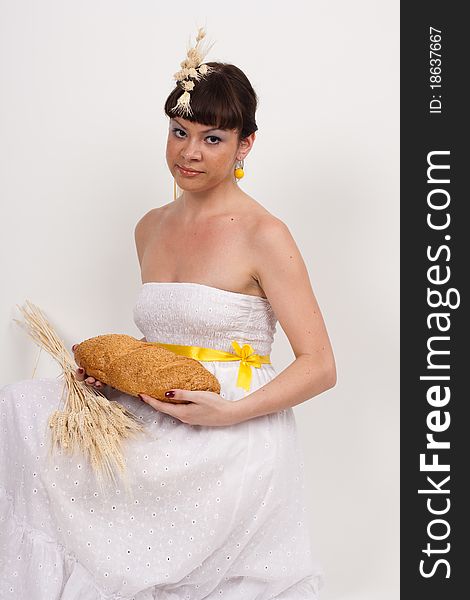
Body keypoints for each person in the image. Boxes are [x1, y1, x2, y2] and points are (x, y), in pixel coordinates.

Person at [0, 29, 336, 599]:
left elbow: (320, 365)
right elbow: (161, 350)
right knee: (25, 408)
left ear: (245, 146)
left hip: (232, 429)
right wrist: (112, 375)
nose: (190, 152)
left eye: (212, 138)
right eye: (180, 132)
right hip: (160, 415)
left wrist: (230, 414)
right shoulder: (150, 227)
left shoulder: (265, 235)